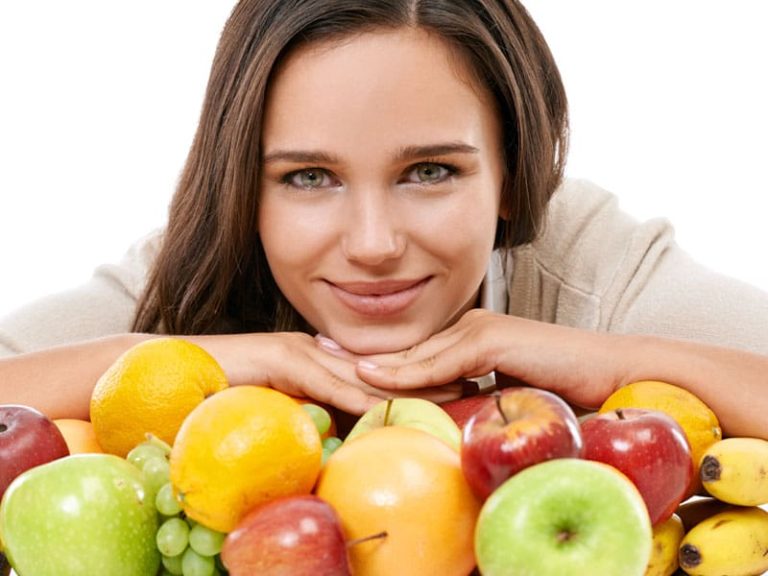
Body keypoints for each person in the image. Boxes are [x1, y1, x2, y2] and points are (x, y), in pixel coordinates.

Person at [1, 0, 767, 439]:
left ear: (511, 172)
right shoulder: (199, 263)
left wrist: (601, 359)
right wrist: (206, 361)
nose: (373, 246)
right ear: (245, 189)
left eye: (430, 172)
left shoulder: (587, 261)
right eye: (308, 177)